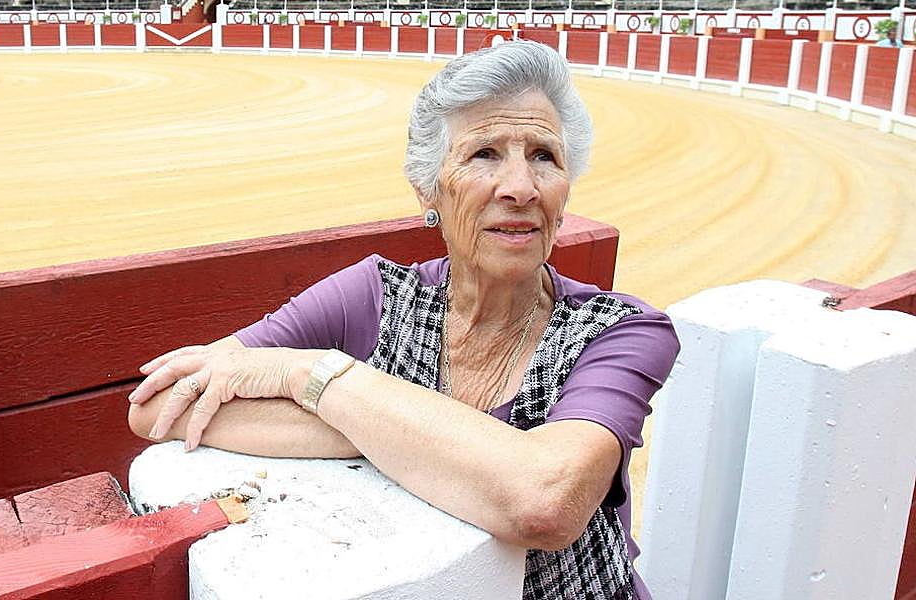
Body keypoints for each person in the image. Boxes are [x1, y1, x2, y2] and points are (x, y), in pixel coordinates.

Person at [129, 41, 679, 599]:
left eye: (545, 156)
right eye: (484, 154)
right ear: (428, 189)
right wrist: (384, 432)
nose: (520, 188)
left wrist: (314, 377)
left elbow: (545, 503)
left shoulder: (622, 330)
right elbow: (159, 405)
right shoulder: (372, 293)